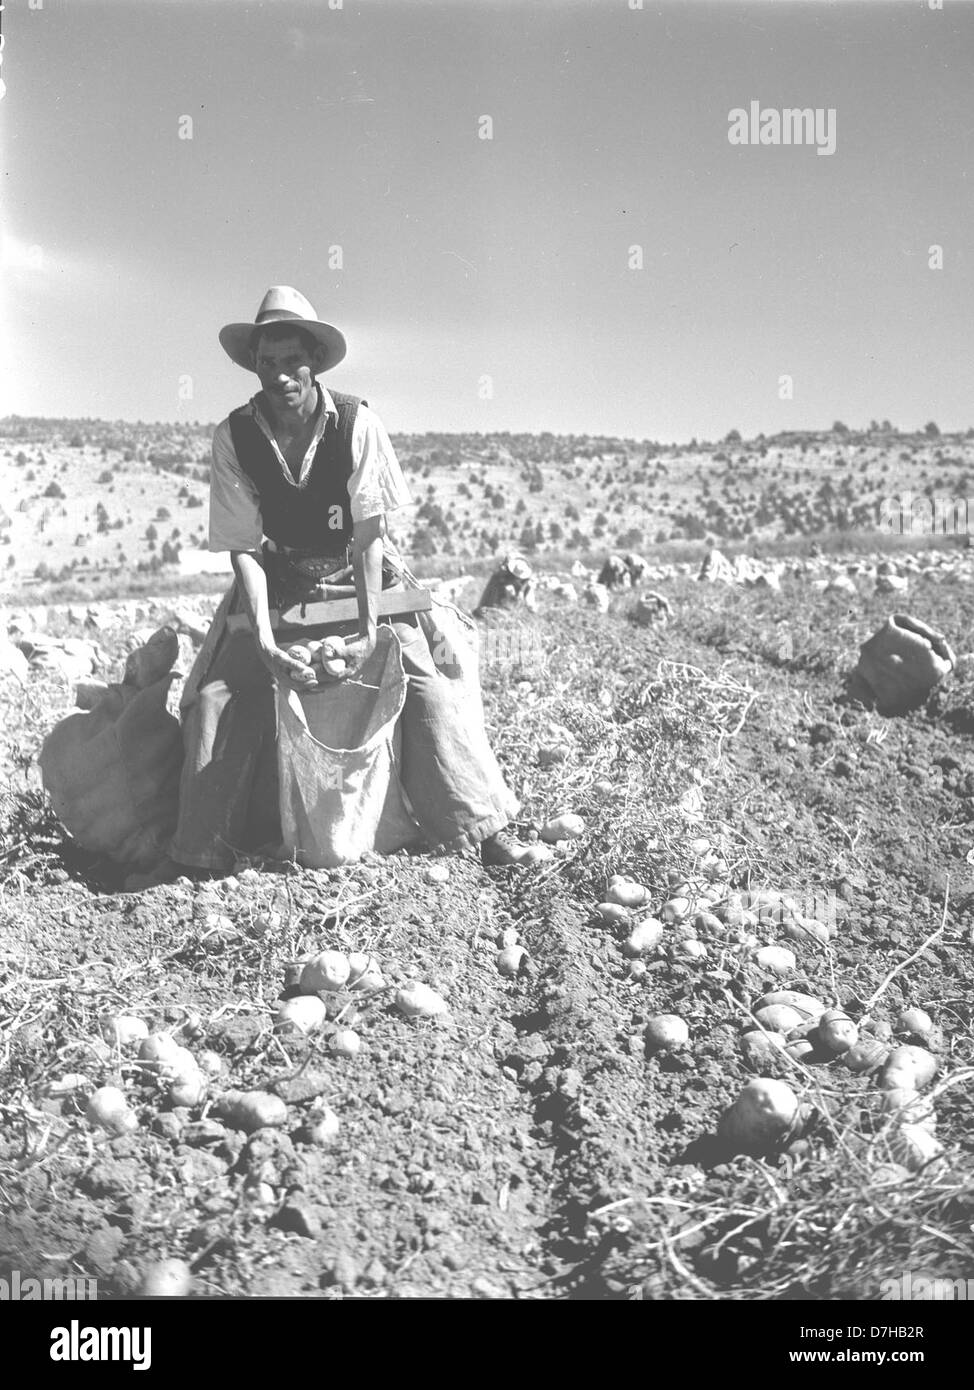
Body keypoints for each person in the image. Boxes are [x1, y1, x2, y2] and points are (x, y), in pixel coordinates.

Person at [165, 286, 537, 876]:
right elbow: (245, 550)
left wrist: (369, 630)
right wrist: (263, 640)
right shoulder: (233, 437)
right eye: (268, 362)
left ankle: (482, 831)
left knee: (423, 679)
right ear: (254, 367)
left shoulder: (356, 422)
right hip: (279, 575)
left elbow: (368, 536)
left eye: (293, 360)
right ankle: (201, 853)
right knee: (217, 696)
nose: (281, 374)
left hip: (355, 568)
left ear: (313, 361)